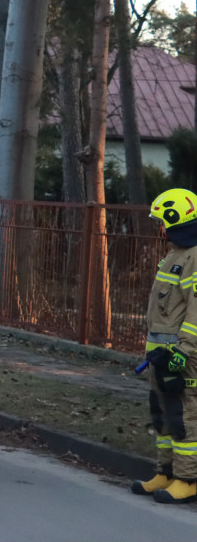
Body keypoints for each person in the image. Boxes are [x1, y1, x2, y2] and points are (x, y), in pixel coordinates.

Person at [131, 188, 197, 504]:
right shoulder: (174, 254)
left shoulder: (194, 257)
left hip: (182, 357)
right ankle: (165, 473)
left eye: (161, 220)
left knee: (184, 417)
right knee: (162, 415)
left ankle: (188, 479)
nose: (159, 226)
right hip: (160, 355)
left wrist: (184, 351)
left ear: (174, 220)